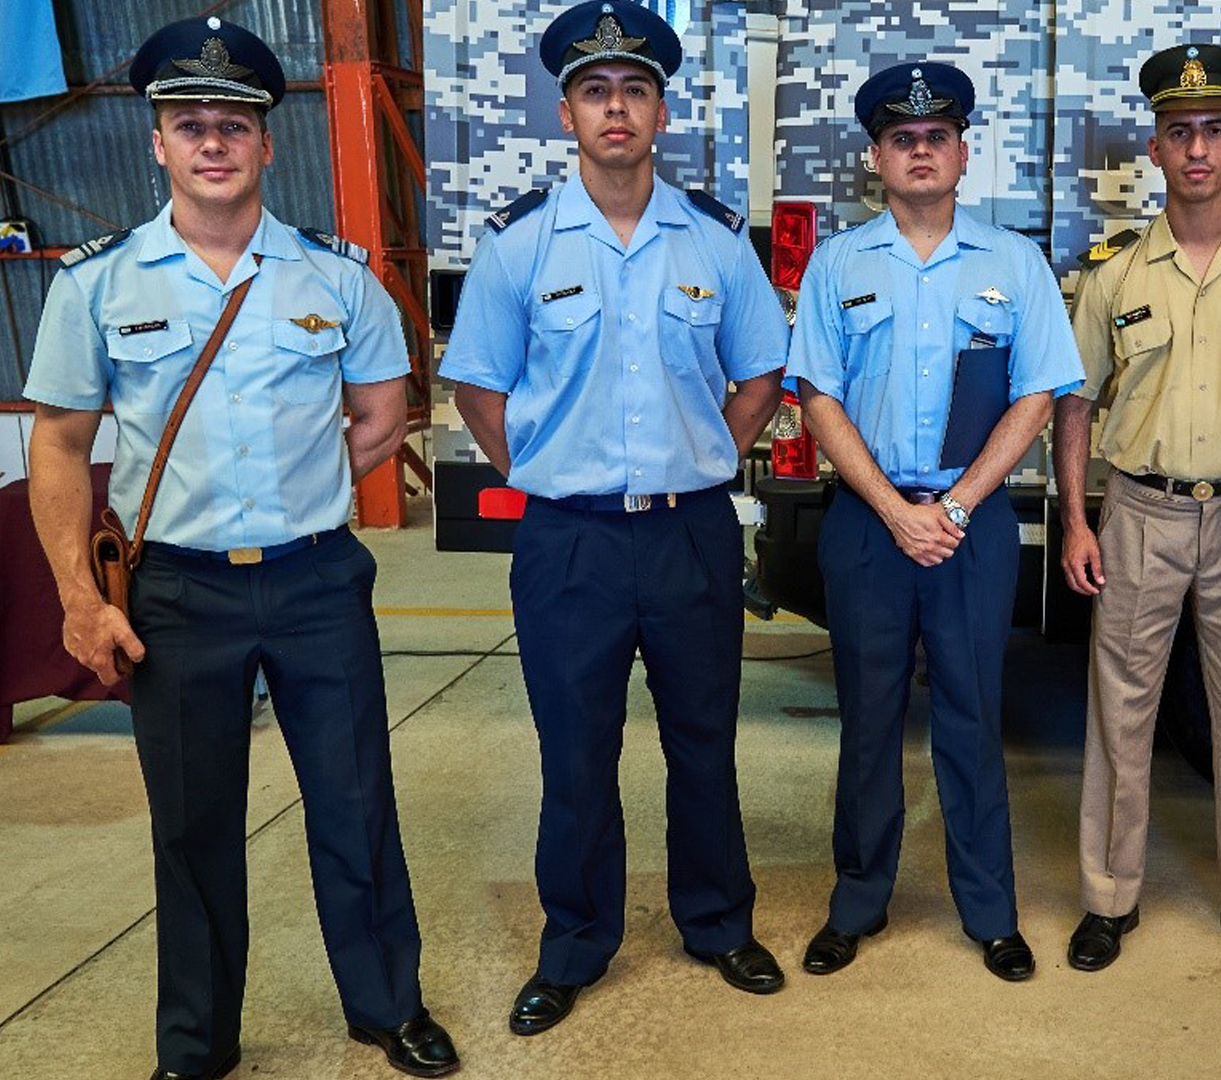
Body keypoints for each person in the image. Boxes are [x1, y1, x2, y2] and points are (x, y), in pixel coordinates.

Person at [24, 16, 459, 1078]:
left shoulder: (336, 277)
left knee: (356, 802)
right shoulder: (97, 284)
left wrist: (301, 486)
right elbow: (60, 446)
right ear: (158, 144)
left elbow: (380, 415)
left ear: (267, 142)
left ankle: (386, 1004)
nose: (213, 143)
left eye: (233, 124)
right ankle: (196, 1042)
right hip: (178, 593)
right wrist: (81, 598)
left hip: (316, 581)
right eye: (191, 126)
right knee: (193, 825)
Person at [439, 0, 789, 1033]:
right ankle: (575, 943)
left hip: (689, 532)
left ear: (661, 112)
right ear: (568, 115)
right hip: (570, 542)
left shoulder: (715, 242)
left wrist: (707, 454)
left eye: (635, 89)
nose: (616, 108)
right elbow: (478, 388)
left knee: (703, 742)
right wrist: (547, 473)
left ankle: (718, 923)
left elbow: (761, 374)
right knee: (576, 752)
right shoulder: (519, 247)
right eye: (595, 92)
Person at [784, 60, 1083, 982]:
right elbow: (818, 397)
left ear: (962, 153)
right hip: (869, 524)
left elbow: (1037, 394)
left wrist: (951, 507)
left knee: (971, 716)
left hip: (971, 522)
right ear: (876, 157)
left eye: (937, 137)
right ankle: (856, 902)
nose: (921, 151)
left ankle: (990, 912)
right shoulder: (840, 263)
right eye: (902, 138)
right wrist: (894, 510)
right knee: (868, 720)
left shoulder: (1013, 262)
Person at [1054, 43, 1221, 979]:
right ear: (1157, 148)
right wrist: (1076, 520)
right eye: (1180, 132)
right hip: (1140, 513)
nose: (1198, 149)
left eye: (1214, 130)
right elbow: (1075, 405)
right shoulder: (1115, 274)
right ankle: (1108, 899)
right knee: (1120, 716)